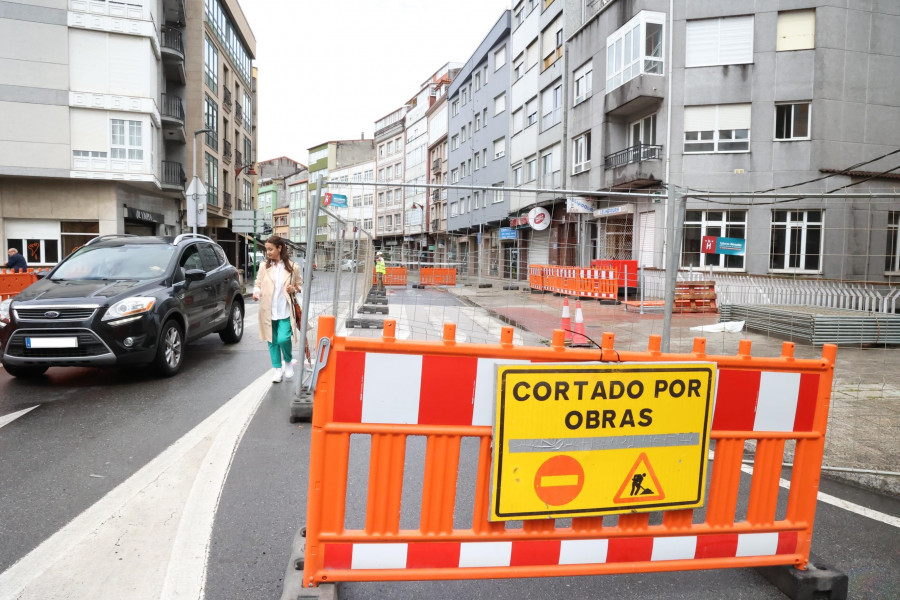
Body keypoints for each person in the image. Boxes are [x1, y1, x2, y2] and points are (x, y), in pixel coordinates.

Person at [253, 235, 302, 383]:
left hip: (285, 310)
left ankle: (288, 362)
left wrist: (293, 288)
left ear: (279, 248)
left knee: (283, 338)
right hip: (268, 310)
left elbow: (301, 285)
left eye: (270, 249)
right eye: (266, 249)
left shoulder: (293, 267)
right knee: (272, 340)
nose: (267, 252)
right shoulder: (264, 267)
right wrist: (256, 292)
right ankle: (277, 369)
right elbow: (258, 283)